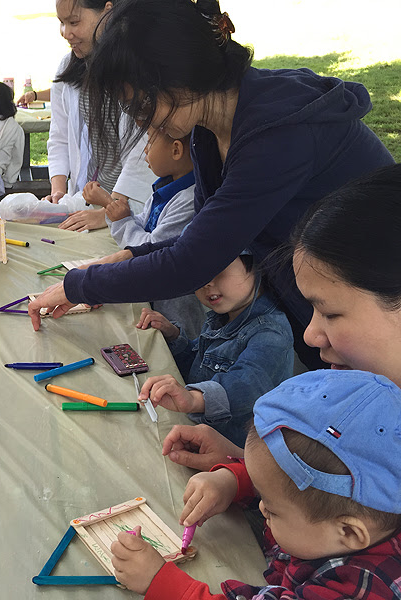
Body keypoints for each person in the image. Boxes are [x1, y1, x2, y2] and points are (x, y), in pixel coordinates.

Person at [28, 0, 395, 366]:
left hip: (376, 314)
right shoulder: (207, 130)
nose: (141, 121)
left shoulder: (276, 134)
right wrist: (129, 256)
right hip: (330, 310)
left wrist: (82, 285)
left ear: (177, 77)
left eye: (141, 104)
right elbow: (202, 236)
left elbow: (193, 261)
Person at [161, 163, 401, 473]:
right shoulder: (362, 406)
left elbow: (247, 385)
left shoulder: (270, 333)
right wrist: (242, 469)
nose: (310, 336)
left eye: (330, 313)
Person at [112, 370, 401, 599]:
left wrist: (163, 584)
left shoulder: (359, 587)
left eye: (272, 509)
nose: (262, 508)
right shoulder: (343, 519)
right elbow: (291, 490)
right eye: (262, 495)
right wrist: (232, 481)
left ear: (348, 532)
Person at [137, 252, 293, 446]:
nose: (207, 282)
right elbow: (200, 365)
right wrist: (174, 335)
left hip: (233, 450)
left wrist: (193, 399)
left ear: (256, 265)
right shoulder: (224, 317)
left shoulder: (271, 333)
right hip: (198, 430)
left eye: (219, 270)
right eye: (198, 275)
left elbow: (245, 385)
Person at [84, 127, 203, 337]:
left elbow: (151, 250)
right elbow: (141, 223)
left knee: (177, 349)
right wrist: (118, 212)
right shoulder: (166, 187)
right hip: (152, 301)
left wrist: (114, 210)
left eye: (149, 142)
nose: (145, 150)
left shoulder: (188, 200)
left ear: (176, 150)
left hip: (174, 314)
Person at [46, 0, 151, 232]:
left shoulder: (135, 67)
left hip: (130, 208)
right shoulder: (69, 67)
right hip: (89, 200)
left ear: (108, 11)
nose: (66, 33)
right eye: (61, 23)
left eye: (74, 22)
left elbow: (144, 150)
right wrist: (58, 192)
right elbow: (59, 136)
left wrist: (109, 211)